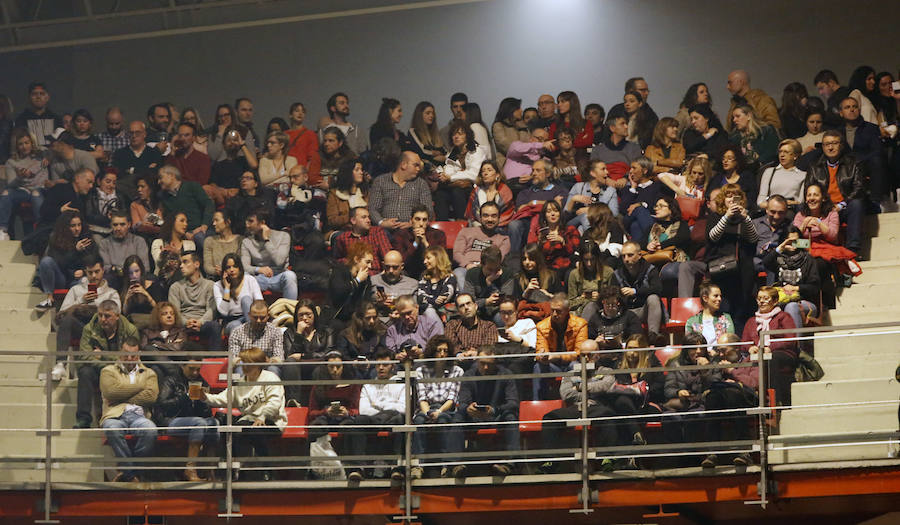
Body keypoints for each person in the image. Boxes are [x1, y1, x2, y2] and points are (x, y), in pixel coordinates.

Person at [201, 347, 286, 481]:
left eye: (248, 363)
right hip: (248, 421)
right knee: (231, 429)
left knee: (252, 430)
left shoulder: (270, 377)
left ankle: (267, 469)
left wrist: (262, 416)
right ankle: (236, 471)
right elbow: (223, 398)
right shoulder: (240, 382)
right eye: (243, 363)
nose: (245, 367)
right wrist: (204, 397)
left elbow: (275, 402)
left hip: (271, 420)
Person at [535, 339, 619, 474]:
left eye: (590, 355)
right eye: (583, 355)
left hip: (596, 407)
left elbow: (605, 387)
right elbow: (566, 394)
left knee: (608, 415)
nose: (586, 358)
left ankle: (607, 459)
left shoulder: (607, 371)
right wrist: (589, 392)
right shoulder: (571, 373)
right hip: (575, 408)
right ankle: (550, 460)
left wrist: (579, 387)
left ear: (597, 354)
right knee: (551, 417)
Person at [447, 346, 519, 477]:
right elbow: (462, 402)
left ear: (496, 363)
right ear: (477, 361)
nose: (485, 367)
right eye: (482, 363)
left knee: (511, 416)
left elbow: (513, 402)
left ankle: (509, 464)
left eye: (489, 364)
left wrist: (495, 410)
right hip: (474, 417)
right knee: (458, 415)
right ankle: (454, 464)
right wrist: (468, 408)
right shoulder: (469, 375)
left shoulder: (506, 375)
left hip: (497, 416)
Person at [53, 256, 121, 385]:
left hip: (103, 333)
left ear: (103, 271)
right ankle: (61, 363)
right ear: (85, 271)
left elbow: (117, 317)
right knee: (67, 320)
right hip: (81, 328)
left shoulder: (112, 293)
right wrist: (80, 302)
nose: (94, 276)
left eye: (97, 271)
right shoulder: (76, 290)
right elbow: (60, 316)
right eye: (90, 272)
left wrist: (96, 307)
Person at [99, 337, 159, 482]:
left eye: (133, 355)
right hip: (115, 415)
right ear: (120, 353)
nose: (129, 358)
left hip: (139, 416)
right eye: (126, 354)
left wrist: (122, 396)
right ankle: (132, 474)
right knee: (111, 428)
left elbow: (150, 397)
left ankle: (126, 471)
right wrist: (139, 387)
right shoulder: (108, 371)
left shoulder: (149, 373)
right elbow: (111, 393)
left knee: (151, 431)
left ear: (138, 354)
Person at [662, 333, 724, 467]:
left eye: (701, 348)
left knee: (696, 417)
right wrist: (678, 392)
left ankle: (694, 458)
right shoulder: (676, 364)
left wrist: (705, 371)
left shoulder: (713, 363)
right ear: (686, 349)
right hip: (682, 405)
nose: (698, 352)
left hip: (703, 404)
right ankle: (678, 457)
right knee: (669, 418)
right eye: (693, 348)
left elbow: (716, 386)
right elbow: (668, 390)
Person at [347, 346, 406, 480]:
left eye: (385, 364)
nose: (380, 368)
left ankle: (397, 468)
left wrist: (378, 405)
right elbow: (364, 410)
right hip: (374, 421)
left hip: (393, 420)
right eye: (378, 364)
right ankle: (358, 468)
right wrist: (389, 407)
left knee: (399, 418)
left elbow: (403, 408)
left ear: (392, 366)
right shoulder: (368, 386)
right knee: (359, 420)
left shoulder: (401, 384)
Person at [410, 335, 464, 479]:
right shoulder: (422, 371)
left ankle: (446, 465)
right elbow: (422, 397)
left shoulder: (457, 371)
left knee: (443, 420)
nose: (442, 354)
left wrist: (439, 411)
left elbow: (452, 398)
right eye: (439, 350)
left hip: (446, 408)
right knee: (419, 421)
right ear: (432, 352)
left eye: (445, 351)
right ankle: (417, 466)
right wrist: (428, 412)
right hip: (426, 407)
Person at [803, 130, 866, 253]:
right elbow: (808, 188)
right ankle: (800, 249)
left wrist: (840, 205)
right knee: (800, 207)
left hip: (844, 207)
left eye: (834, 143)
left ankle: (852, 249)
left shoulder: (854, 163)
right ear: (822, 147)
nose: (830, 147)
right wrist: (823, 206)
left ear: (841, 145)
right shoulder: (814, 166)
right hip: (822, 208)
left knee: (857, 204)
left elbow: (859, 188)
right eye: (827, 144)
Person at [705, 184, 759, 326]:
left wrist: (746, 218)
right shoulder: (715, 216)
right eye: (728, 195)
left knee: (741, 310)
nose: (731, 199)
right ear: (723, 199)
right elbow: (713, 236)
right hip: (722, 270)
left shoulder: (745, 219)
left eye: (735, 196)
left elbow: (754, 239)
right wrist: (727, 216)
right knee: (725, 307)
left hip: (743, 271)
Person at [155, 359, 218, 481]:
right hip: (171, 420)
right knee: (199, 423)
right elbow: (163, 405)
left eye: (198, 369)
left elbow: (206, 414)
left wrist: (204, 400)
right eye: (191, 369)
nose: (195, 373)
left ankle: (210, 470)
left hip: (193, 420)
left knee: (213, 422)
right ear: (182, 366)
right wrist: (186, 397)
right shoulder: (171, 380)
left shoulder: (201, 382)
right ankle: (190, 469)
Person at [742, 286, 798, 406]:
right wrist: (750, 348)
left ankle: (776, 401)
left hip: (783, 354)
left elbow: (790, 340)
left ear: (775, 301)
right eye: (759, 298)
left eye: (765, 298)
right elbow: (745, 341)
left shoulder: (783, 317)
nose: (761, 301)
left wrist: (770, 347)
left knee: (771, 360)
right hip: (758, 356)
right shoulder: (751, 321)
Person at [35, 211, 97, 311]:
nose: (77, 229)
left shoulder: (87, 238)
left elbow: (93, 260)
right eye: (73, 226)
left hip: (79, 279)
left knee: (86, 280)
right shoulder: (56, 238)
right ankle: (49, 299)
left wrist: (83, 270)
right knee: (46, 261)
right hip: (62, 277)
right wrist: (75, 251)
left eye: (79, 225)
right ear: (65, 227)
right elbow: (59, 262)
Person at [762, 227, 821, 331]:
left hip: (804, 301)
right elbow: (766, 262)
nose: (793, 244)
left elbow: (814, 287)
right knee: (766, 304)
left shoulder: (808, 259)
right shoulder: (778, 259)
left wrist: (796, 288)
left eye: (796, 241)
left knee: (791, 307)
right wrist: (780, 248)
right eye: (790, 241)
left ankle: (796, 344)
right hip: (781, 299)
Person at [433, 119, 489, 220]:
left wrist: (451, 177)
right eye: (454, 134)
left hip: (476, 188)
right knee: (440, 194)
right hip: (457, 186)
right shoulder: (452, 154)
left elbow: (473, 174)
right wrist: (448, 176)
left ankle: (461, 223)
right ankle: (443, 227)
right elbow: (448, 171)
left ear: (467, 135)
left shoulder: (476, 151)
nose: (456, 136)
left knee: (457, 191)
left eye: (460, 133)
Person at [508, 159, 568, 251]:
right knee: (514, 225)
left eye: (538, 170)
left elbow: (558, 208)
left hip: (550, 224)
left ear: (548, 174)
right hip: (527, 224)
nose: (534, 173)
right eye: (533, 170)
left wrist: (533, 203)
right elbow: (520, 209)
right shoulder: (525, 193)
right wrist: (548, 202)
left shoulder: (560, 191)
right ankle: (514, 257)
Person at [283, 300, 335, 404]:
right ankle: (293, 402)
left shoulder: (326, 332)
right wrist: (298, 334)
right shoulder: (289, 333)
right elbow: (290, 356)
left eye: (308, 314)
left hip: (318, 365)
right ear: (296, 317)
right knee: (289, 363)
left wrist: (303, 356)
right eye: (301, 315)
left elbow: (329, 353)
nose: (304, 318)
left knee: (319, 369)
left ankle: (318, 403)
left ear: (314, 315)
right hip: (298, 368)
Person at [0, 128, 49, 238]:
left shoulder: (41, 155)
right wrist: (19, 177)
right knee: (6, 193)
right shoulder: (11, 162)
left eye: (27, 143)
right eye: (20, 144)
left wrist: (47, 156)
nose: (24, 146)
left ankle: (42, 230)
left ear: (32, 143)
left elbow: (53, 150)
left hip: (41, 189)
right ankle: (2, 230)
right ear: (16, 146)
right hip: (24, 191)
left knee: (36, 194)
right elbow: (11, 184)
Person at [168, 251, 221, 351]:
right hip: (183, 325)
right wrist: (186, 322)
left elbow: (211, 309)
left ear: (197, 264)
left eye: (185, 262)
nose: (181, 266)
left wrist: (200, 322)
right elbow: (175, 312)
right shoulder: (175, 287)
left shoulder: (210, 285)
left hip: (203, 323)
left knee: (215, 326)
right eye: (181, 263)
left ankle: (215, 362)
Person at [241, 208, 297, 300]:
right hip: (259, 278)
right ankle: (251, 313)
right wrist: (259, 269)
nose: (247, 225)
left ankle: (290, 311)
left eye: (251, 221)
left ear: (262, 223)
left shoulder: (283, 236)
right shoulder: (247, 242)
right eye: (246, 221)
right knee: (245, 277)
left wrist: (266, 239)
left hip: (279, 276)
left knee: (290, 276)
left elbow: (279, 261)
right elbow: (244, 266)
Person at [368, 151, 432, 231]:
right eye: (415, 165)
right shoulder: (381, 181)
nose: (418, 169)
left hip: (412, 230)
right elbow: (373, 209)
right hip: (384, 230)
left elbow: (428, 210)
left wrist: (413, 223)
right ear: (403, 165)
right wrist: (382, 222)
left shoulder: (421, 184)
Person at [613, 241, 664, 337]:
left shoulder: (650, 269)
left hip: (644, 311)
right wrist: (619, 293)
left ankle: (653, 336)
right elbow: (611, 294)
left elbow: (658, 289)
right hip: (624, 312)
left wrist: (635, 291)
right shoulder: (617, 273)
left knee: (653, 298)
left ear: (639, 255)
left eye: (630, 255)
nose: (626, 259)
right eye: (623, 256)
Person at [157, 165, 214, 249]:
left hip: (201, 229)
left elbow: (208, 204)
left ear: (172, 176)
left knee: (199, 238)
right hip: (181, 233)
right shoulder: (163, 196)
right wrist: (185, 233)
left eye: (161, 177)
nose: (159, 181)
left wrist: (204, 225)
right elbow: (169, 218)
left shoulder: (192, 187)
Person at [453, 202, 511, 284]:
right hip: (466, 268)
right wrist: (468, 265)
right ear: (480, 218)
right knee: (458, 273)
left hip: (490, 271)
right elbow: (457, 253)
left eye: (494, 216)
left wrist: (483, 268)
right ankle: (466, 296)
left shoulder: (504, 239)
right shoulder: (466, 232)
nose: (490, 219)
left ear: (499, 218)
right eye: (486, 215)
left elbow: (498, 259)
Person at [645, 197, 691, 293]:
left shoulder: (681, 224)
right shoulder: (652, 226)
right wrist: (648, 246)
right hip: (654, 261)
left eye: (661, 206)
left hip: (675, 260)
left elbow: (683, 238)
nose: (656, 208)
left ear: (671, 209)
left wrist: (662, 245)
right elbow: (639, 243)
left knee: (668, 272)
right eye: (656, 206)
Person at [390, 204, 446, 279]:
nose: (421, 224)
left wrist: (425, 243)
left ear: (428, 222)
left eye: (424, 220)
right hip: (407, 270)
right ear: (411, 220)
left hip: (428, 270)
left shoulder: (438, 235)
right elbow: (401, 261)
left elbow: (441, 261)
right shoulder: (401, 234)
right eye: (417, 219)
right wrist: (416, 243)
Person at [527, 199, 580, 277]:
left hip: (566, 267)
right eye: (548, 211)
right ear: (544, 215)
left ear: (560, 213)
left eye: (555, 211)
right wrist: (539, 243)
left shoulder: (570, 230)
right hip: (547, 268)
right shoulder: (541, 233)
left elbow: (577, 249)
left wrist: (563, 241)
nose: (552, 214)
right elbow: (533, 253)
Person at [462, 245, 515, 322]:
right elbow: (469, 302)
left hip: (498, 310)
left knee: (500, 319)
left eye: (496, 269)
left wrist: (490, 284)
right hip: (477, 310)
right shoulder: (472, 274)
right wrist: (486, 301)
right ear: (482, 264)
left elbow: (506, 301)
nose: (493, 273)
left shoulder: (507, 274)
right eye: (490, 269)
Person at [332, 207, 393, 274]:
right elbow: (337, 261)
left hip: (375, 274)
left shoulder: (377, 232)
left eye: (369, 217)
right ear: (353, 220)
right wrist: (351, 262)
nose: (368, 220)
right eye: (364, 217)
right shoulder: (343, 238)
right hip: (353, 275)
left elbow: (387, 254)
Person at [228, 299, 284, 371]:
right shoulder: (237, 332)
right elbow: (234, 359)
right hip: (246, 367)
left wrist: (269, 361)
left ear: (268, 316)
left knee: (274, 369)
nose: (258, 321)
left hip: (267, 367)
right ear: (249, 315)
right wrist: (255, 360)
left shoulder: (276, 332)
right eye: (255, 317)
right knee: (239, 368)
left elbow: (279, 358)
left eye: (262, 318)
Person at [98, 210, 149, 288]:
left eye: (122, 224)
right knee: (107, 279)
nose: (118, 228)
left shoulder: (139, 241)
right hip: (114, 278)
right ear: (111, 226)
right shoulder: (104, 243)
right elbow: (106, 268)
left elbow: (145, 267)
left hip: (135, 276)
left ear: (129, 225)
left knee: (152, 279)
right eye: (115, 225)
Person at [619, 157, 665, 244]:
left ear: (644, 171)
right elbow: (623, 210)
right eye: (630, 168)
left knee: (635, 225)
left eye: (634, 168)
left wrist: (640, 204)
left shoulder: (657, 187)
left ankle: (641, 251)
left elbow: (656, 206)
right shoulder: (627, 190)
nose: (630, 171)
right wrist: (633, 188)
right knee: (639, 210)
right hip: (628, 220)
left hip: (650, 220)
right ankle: (656, 239)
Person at [214, 253, 262, 335]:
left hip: (250, 318)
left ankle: (255, 335)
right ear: (224, 270)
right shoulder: (217, 285)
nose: (232, 270)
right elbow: (224, 312)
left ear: (240, 267)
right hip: (231, 321)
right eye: (228, 267)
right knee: (236, 326)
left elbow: (260, 304)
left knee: (246, 299)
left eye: (235, 266)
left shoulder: (250, 280)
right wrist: (227, 288)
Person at [444, 293, 498, 365]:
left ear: (475, 306)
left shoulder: (489, 326)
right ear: (458, 311)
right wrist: (459, 354)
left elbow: (490, 346)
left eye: (468, 303)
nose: (466, 307)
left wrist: (477, 353)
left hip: (481, 363)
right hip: (458, 363)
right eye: (462, 306)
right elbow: (451, 344)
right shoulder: (452, 325)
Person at [205, 127, 254, 206]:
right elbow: (212, 184)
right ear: (224, 144)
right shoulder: (218, 165)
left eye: (235, 140)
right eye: (229, 140)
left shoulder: (244, 161)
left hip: (241, 197)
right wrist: (225, 191)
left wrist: (242, 144)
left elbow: (254, 166)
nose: (232, 142)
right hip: (222, 198)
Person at [329, 241, 376, 325]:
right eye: (367, 262)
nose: (370, 266)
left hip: (356, 318)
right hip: (337, 317)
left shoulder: (366, 278)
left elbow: (366, 301)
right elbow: (339, 293)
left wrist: (378, 302)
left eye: (371, 263)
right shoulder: (339, 271)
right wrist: (357, 280)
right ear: (356, 259)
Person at [140, 301, 188, 379]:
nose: (169, 316)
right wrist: (169, 346)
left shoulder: (181, 332)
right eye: (164, 314)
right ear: (157, 317)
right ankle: (174, 371)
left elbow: (177, 350)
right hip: (152, 366)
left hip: (174, 363)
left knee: (157, 367)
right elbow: (144, 350)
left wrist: (156, 347)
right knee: (155, 365)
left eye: (172, 313)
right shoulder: (147, 332)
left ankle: (173, 371)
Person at [566, 239, 614, 317]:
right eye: (586, 260)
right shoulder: (574, 274)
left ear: (597, 258)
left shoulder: (608, 272)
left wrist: (600, 297)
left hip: (602, 309)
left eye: (592, 259)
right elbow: (570, 303)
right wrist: (582, 298)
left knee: (591, 306)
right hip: (580, 310)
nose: (589, 264)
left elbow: (613, 298)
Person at [590, 116, 642, 183]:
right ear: (612, 128)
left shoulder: (634, 148)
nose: (626, 126)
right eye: (622, 124)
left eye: (626, 124)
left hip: (628, 183)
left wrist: (625, 178)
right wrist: (606, 180)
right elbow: (594, 169)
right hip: (603, 184)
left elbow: (638, 168)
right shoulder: (598, 150)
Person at [223, 170, 276, 236]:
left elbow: (270, 215)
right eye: (242, 178)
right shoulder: (234, 200)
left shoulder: (265, 198)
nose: (243, 180)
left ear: (256, 183)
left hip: (265, 231)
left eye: (248, 178)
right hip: (242, 234)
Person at [502, 126, 555, 192]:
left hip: (527, 189)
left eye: (546, 141)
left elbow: (545, 177)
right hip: (508, 186)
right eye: (540, 139)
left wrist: (532, 178)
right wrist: (540, 145)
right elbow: (517, 149)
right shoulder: (517, 145)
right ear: (531, 138)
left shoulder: (544, 159)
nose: (544, 142)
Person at [370, 250, 419, 320]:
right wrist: (378, 304)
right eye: (387, 267)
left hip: (404, 322)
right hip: (378, 323)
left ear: (402, 266)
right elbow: (363, 308)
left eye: (395, 267)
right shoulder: (372, 281)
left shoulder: (412, 284)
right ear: (383, 265)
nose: (391, 271)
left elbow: (415, 309)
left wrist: (401, 312)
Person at [757, 139, 806, 209]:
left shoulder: (803, 175)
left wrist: (785, 205)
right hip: (770, 210)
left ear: (795, 156)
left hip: (791, 212)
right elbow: (761, 200)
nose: (782, 155)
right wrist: (775, 206)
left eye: (786, 152)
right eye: (780, 152)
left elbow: (800, 202)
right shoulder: (769, 172)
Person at [464, 161, 515, 227]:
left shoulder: (504, 191)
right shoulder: (476, 191)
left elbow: (508, 213)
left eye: (489, 170)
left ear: (497, 174)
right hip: (478, 226)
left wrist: (491, 202)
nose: (485, 173)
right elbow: (471, 214)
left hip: (501, 227)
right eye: (483, 171)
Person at [729, 104, 779, 171]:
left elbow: (772, 151)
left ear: (749, 116)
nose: (734, 120)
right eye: (733, 117)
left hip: (767, 169)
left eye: (738, 116)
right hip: (746, 173)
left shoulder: (766, 131)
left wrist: (757, 164)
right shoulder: (734, 138)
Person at [685, 281, 735, 347]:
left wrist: (716, 352)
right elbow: (689, 346)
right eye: (716, 296)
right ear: (705, 298)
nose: (719, 299)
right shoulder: (691, 322)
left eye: (720, 296)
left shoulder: (726, 318)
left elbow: (731, 341)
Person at [119, 254, 164, 326]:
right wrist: (126, 299)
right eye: (130, 273)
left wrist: (147, 295)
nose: (134, 275)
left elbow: (160, 311)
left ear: (141, 271)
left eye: (137, 271)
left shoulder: (154, 286)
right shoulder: (124, 288)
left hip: (150, 323)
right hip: (132, 325)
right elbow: (123, 315)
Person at [83, 167, 128, 238]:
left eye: (114, 183)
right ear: (99, 181)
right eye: (108, 181)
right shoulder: (92, 195)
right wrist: (107, 218)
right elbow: (89, 215)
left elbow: (124, 214)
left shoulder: (119, 197)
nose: (111, 185)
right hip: (95, 231)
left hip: (114, 231)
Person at [326, 159, 369, 234]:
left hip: (363, 229)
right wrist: (352, 216)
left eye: (361, 170)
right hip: (342, 230)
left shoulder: (365, 193)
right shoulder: (334, 194)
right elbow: (332, 220)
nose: (361, 172)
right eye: (357, 170)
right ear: (348, 173)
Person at [753, 195, 791, 279]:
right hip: (758, 264)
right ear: (766, 209)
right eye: (773, 212)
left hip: (779, 265)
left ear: (786, 212)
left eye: (781, 213)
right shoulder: (755, 224)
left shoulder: (790, 226)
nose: (776, 216)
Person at [285, 102, 323, 186]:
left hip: (302, 173)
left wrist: (305, 175)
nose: (300, 113)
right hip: (287, 173)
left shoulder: (310, 134)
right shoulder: (284, 135)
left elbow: (312, 157)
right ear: (290, 115)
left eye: (303, 111)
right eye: (296, 111)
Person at [415, 245, 457, 317]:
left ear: (438, 258)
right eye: (424, 259)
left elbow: (444, 299)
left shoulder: (450, 277)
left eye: (428, 258)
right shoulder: (424, 276)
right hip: (426, 312)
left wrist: (429, 299)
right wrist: (434, 300)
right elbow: (420, 297)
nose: (425, 262)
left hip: (446, 314)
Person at [582, 202, 626, 268]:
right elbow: (582, 249)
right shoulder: (588, 232)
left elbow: (615, 250)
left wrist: (597, 257)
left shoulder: (615, 227)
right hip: (591, 261)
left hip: (611, 260)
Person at [491, 97, 530, 168]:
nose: (521, 110)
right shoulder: (498, 125)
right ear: (510, 110)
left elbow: (528, 143)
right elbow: (506, 146)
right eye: (518, 108)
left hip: (524, 164)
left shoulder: (522, 125)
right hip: (506, 165)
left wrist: (522, 127)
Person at [202, 210, 241, 277]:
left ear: (228, 222)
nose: (214, 224)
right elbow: (207, 267)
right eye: (213, 221)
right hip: (216, 278)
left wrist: (226, 271)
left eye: (217, 220)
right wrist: (219, 271)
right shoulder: (209, 241)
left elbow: (241, 263)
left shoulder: (239, 240)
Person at [406, 101, 446, 166]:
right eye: (428, 113)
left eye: (433, 113)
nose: (431, 116)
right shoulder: (413, 131)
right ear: (420, 115)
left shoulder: (435, 134)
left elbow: (443, 152)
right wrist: (434, 154)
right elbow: (420, 152)